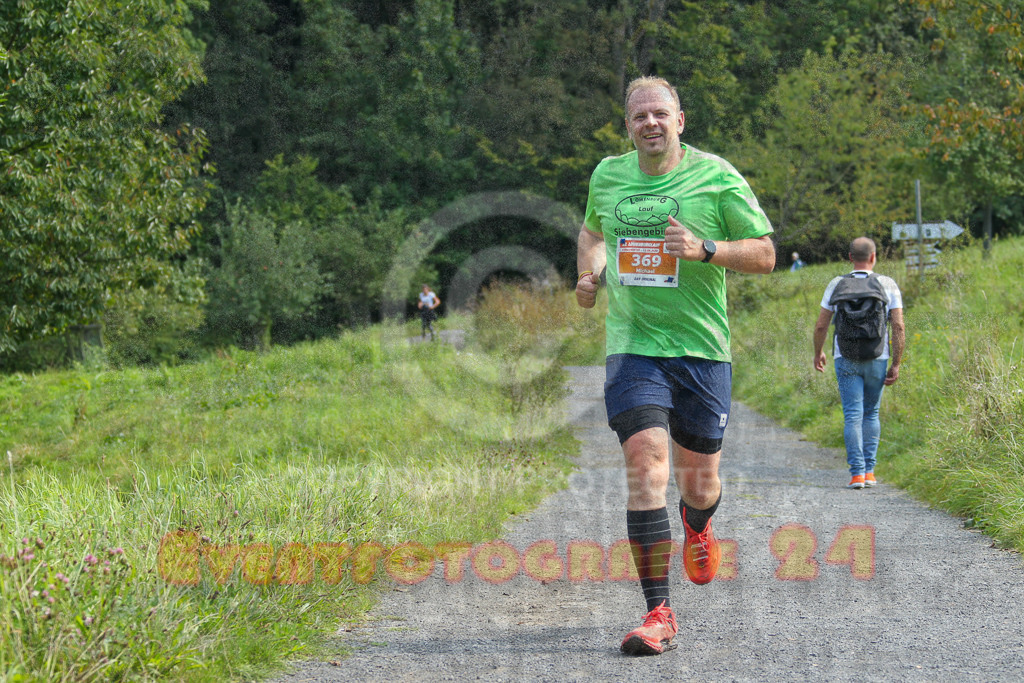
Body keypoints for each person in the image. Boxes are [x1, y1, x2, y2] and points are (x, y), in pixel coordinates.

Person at [575, 76, 775, 656]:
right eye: (639, 117)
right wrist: (589, 274)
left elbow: (764, 253)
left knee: (699, 480)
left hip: (702, 350)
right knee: (646, 465)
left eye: (660, 114)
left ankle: (698, 523)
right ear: (629, 125)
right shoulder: (608, 175)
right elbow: (593, 232)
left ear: (680, 120)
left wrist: (707, 249)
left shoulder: (716, 176)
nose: (650, 125)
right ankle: (658, 611)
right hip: (633, 347)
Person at [812, 237, 904, 489]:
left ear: (850, 258)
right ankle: (871, 471)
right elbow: (897, 326)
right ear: (873, 257)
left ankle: (857, 474)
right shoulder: (888, 284)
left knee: (852, 414)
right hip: (878, 356)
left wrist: (818, 352)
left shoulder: (836, 283)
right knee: (871, 412)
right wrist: (896, 363)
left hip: (846, 356)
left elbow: (821, 324)